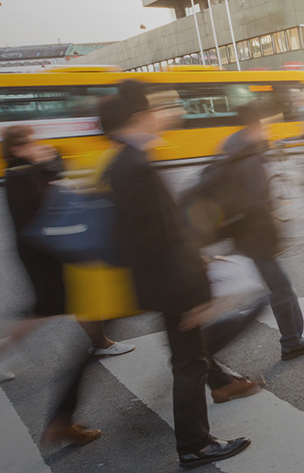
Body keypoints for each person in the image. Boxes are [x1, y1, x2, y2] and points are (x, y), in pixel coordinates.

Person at [99, 81, 251, 469]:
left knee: (191, 360)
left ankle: (200, 432)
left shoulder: (122, 163)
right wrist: (196, 295)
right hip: (173, 285)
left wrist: (199, 259)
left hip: (163, 281)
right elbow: (158, 242)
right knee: (189, 365)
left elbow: (156, 233)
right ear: (139, 117)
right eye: (157, 110)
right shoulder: (136, 168)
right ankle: (195, 445)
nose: (164, 116)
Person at [0, 126, 136, 447]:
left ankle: (100, 341)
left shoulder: (24, 171)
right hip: (41, 251)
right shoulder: (19, 175)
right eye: (31, 142)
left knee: (74, 298)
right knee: (45, 307)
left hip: (50, 245)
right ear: (17, 148)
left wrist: (50, 163)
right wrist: (50, 163)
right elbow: (54, 194)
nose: (38, 145)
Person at [217, 101, 304, 360]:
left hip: (242, 236)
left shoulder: (232, 147)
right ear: (256, 124)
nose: (270, 127)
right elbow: (257, 203)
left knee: (275, 290)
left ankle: (291, 340)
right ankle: (291, 342)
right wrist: (275, 235)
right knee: (280, 291)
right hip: (256, 238)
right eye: (268, 122)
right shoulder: (249, 155)